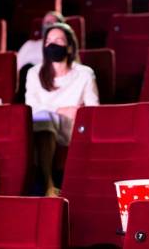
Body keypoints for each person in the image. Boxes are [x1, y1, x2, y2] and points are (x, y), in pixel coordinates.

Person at [25, 22, 99, 197]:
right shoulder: (34, 73)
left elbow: (93, 110)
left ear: (69, 46)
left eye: (58, 40)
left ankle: (46, 184)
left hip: (71, 129)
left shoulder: (85, 74)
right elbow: (31, 107)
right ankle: (49, 184)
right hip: (40, 127)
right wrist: (62, 110)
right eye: (49, 41)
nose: (53, 44)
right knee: (43, 118)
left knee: (44, 117)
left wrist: (66, 113)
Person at [16, 11, 65, 103]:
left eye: (51, 22)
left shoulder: (63, 48)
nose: (48, 25)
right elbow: (15, 70)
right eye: (46, 23)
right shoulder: (29, 44)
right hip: (26, 82)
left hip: (50, 81)